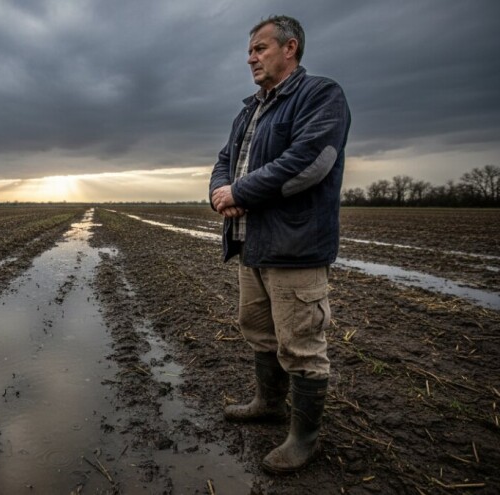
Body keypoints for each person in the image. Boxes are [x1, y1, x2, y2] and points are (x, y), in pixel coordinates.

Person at [208, 15, 351, 473]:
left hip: (296, 245)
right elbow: (225, 159)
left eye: (260, 48)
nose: (251, 57)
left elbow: (311, 161)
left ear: (290, 48)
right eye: (249, 51)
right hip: (253, 244)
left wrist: (241, 192)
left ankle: (304, 439)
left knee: (301, 343)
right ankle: (268, 403)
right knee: (259, 330)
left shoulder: (320, 95)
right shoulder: (249, 108)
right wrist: (219, 192)